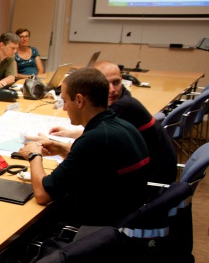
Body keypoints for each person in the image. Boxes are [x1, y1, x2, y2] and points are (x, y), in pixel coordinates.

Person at [17, 67, 150, 227]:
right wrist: (61, 149)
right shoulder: (125, 127)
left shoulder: (93, 139)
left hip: (93, 230)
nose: (64, 108)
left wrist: (34, 155)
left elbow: (43, 195)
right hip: (125, 218)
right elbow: (95, 165)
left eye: (65, 101)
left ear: (79, 100)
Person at [48, 60, 177, 185]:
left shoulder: (122, 107)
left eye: (116, 82)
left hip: (154, 180)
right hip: (148, 176)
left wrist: (42, 148)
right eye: (105, 83)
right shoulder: (126, 100)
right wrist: (69, 134)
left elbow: (93, 145)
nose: (111, 89)